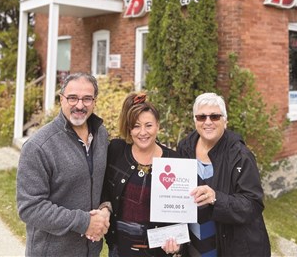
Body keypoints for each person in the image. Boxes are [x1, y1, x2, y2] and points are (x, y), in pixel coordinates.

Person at [16, 72, 111, 256]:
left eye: (87, 99)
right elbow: (30, 207)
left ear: (95, 101)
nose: (80, 105)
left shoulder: (101, 135)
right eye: (73, 98)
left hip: (91, 252)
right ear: (61, 99)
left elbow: (102, 181)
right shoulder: (38, 147)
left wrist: (106, 208)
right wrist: (84, 222)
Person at [177, 92, 271, 257]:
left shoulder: (240, 155)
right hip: (196, 247)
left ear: (225, 121)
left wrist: (215, 198)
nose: (208, 122)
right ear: (195, 121)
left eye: (214, 117)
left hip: (232, 247)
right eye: (201, 117)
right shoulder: (184, 148)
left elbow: (252, 204)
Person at [101, 92, 185, 257]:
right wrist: (104, 207)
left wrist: (178, 244)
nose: (143, 132)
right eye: (136, 126)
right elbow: (103, 187)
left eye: (148, 125)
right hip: (119, 250)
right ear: (129, 129)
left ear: (158, 126)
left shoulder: (174, 161)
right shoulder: (117, 150)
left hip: (157, 252)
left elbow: (182, 210)